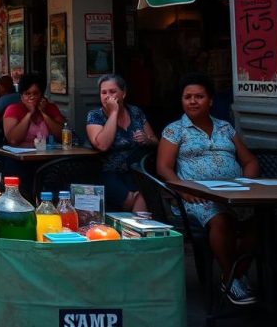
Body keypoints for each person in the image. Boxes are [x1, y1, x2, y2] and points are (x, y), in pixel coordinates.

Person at [157, 73, 259, 306]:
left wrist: (246, 185)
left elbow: (250, 161)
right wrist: (183, 191)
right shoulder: (175, 130)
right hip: (196, 198)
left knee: (258, 221)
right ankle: (233, 279)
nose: (193, 101)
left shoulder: (225, 128)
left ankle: (233, 275)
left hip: (235, 195)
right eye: (188, 97)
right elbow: (163, 167)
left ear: (210, 100)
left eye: (199, 96)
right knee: (219, 219)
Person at [85, 74, 159, 212]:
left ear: (123, 93)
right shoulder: (95, 116)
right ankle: (139, 228)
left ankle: (138, 229)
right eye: (103, 92)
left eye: (112, 92)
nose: (108, 96)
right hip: (109, 173)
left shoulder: (135, 112)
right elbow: (102, 144)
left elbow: (156, 142)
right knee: (138, 199)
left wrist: (147, 140)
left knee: (143, 194)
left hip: (138, 172)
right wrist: (113, 113)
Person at [2, 72, 63, 147]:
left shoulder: (50, 108)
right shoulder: (13, 110)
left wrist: (44, 114)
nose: (32, 97)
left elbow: (62, 136)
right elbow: (13, 140)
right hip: (21, 156)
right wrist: (29, 113)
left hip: (49, 154)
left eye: (35, 93)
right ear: (21, 96)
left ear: (41, 95)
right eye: (27, 94)